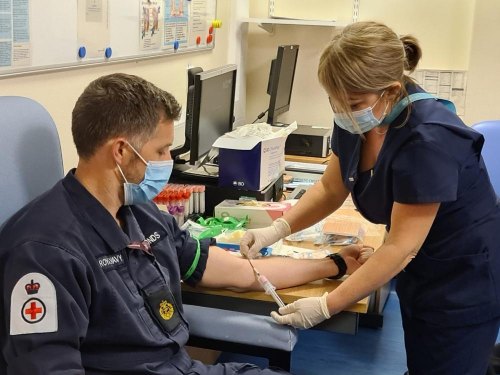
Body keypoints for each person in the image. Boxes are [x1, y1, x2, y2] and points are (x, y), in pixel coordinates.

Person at [0, 73, 368, 375]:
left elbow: (242, 273)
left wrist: (332, 265)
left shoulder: (139, 214)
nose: (167, 162)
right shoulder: (45, 252)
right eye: (162, 151)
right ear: (121, 151)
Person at [240, 21, 500, 375]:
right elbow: (332, 188)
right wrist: (276, 229)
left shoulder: (429, 139)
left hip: (462, 280)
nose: (341, 110)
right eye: (333, 100)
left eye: (352, 103)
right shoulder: (356, 117)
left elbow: (399, 248)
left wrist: (326, 305)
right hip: (421, 269)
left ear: (391, 91)